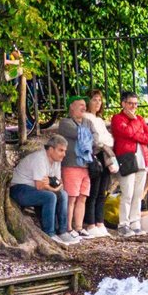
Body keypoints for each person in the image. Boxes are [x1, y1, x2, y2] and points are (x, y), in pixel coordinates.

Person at [8, 134, 75, 244]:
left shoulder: (57, 161)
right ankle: (49, 233)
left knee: (63, 194)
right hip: (19, 189)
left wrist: (53, 185)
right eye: (61, 150)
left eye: (64, 151)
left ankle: (62, 232)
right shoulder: (39, 158)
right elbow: (40, 186)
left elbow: (59, 183)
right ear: (51, 149)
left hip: (34, 189)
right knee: (50, 196)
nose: (64, 154)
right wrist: (54, 187)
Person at [52, 100, 103, 240]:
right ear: (71, 107)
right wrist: (88, 136)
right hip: (71, 165)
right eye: (80, 105)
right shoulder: (65, 123)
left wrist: (88, 137)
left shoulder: (88, 122)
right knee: (71, 198)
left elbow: (96, 137)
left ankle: (79, 228)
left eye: (84, 105)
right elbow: (79, 134)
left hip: (86, 165)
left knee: (82, 197)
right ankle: (68, 227)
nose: (84, 107)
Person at [109, 91, 148, 236]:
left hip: (142, 160)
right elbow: (126, 132)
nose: (134, 106)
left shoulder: (140, 118)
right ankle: (123, 224)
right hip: (127, 159)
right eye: (130, 103)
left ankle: (135, 222)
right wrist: (134, 123)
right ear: (123, 103)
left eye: (136, 103)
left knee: (137, 193)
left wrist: (135, 133)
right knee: (127, 193)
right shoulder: (117, 118)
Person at [82, 90, 118, 234]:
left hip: (105, 156)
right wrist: (104, 142)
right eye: (94, 100)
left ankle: (100, 222)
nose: (98, 103)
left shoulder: (100, 120)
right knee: (94, 191)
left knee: (103, 191)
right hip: (95, 156)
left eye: (99, 100)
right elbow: (95, 140)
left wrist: (105, 142)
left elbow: (109, 139)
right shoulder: (86, 118)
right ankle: (91, 223)